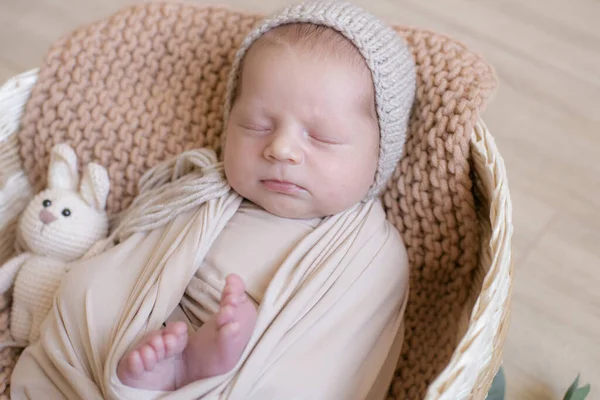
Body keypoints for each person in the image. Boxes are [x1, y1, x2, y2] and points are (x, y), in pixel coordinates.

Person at [10, 1, 416, 399]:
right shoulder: (203, 189)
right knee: (82, 289)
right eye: (256, 125)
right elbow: (134, 252)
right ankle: (148, 375)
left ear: (381, 152)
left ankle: (187, 374)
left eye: (322, 136)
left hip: (254, 363)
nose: (281, 149)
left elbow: (338, 361)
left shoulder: (372, 252)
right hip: (149, 331)